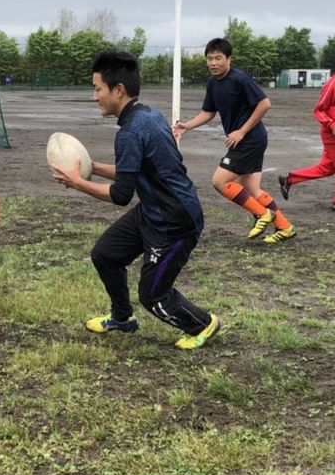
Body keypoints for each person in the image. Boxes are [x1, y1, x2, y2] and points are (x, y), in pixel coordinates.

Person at [51, 50, 220, 351]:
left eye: (97, 89)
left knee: (153, 295)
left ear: (118, 90)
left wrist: (77, 183)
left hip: (175, 222)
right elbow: (134, 171)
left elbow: (120, 195)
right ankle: (121, 318)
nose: (94, 97)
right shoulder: (149, 115)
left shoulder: (130, 132)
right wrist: (91, 166)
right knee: (105, 254)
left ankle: (202, 323)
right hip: (153, 211)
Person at [172, 38, 295, 244]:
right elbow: (209, 112)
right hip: (247, 141)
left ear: (229, 58)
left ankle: (263, 215)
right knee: (251, 190)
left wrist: (241, 131)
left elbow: (265, 104)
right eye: (209, 58)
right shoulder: (213, 83)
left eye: (218, 58)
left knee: (220, 181)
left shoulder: (240, 79)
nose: (213, 63)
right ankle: (285, 227)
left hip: (250, 140)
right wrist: (187, 125)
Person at [278, 44, 335, 211]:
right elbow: (318, 111)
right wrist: (332, 126)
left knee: (326, 168)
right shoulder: (331, 85)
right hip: (334, 135)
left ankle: (290, 179)